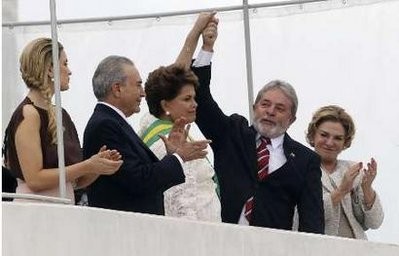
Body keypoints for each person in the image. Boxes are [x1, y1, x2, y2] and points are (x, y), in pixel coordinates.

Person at [191, 21, 324, 233]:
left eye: (280, 108)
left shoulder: (306, 160)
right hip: (220, 239)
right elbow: (200, 98)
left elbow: (312, 221)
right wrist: (207, 48)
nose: (270, 111)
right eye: (265, 104)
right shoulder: (231, 133)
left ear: (292, 119)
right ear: (255, 108)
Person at [83, 53, 212, 215]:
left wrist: (172, 155)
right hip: (125, 231)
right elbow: (138, 181)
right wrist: (179, 158)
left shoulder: (114, 122)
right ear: (117, 89)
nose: (143, 93)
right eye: (138, 85)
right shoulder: (105, 125)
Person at [2, 38, 123, 203]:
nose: (70, 71)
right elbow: (35, 179)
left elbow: (75, 182)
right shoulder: (29, 114)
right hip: (36, 212)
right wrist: (87, 165)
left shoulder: (61, 114)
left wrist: (97, 167)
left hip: (62, 208)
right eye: (65, 63)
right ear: (50, 69)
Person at [138, 14, 221, 222]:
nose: (195, 104)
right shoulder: (167, 142)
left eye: (194, 98)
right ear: (166, 104)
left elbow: (175, 75)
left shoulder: (156, 123)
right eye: (187, 99)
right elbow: (180, 203)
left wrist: (201, 42)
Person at [306, 105, 383, 239]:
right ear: (313, 136)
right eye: (324, 135)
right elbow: (305, 216)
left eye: (338, 138)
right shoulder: (298, 169)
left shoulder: (352, 170)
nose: (330, 142)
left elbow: (374, 223)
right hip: (317, 249)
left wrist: (367, 189)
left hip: (357, 250)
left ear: (345, 142)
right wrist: (341, 191)